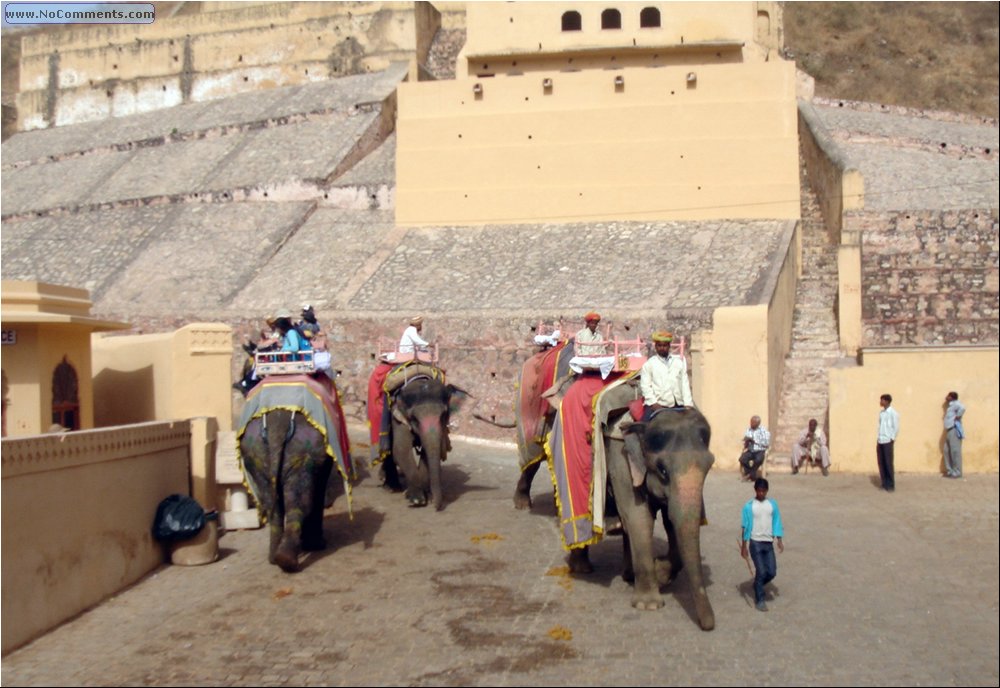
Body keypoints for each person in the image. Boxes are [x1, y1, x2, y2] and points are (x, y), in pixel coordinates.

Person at [740, 477, 784, 612]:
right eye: (759, 491)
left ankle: (757, 585)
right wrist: (744, 546)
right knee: (761, 571)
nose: (761, 493)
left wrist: (779, 540)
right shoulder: (749, 506)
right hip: (755, 543)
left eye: (763, 491)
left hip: (768, 543)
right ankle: (760, 599)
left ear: (767, 491)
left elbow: (777, 521)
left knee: (771, 572)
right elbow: (745, 526)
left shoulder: (772, 505)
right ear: (755, 490)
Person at [638, 330, 692, 421]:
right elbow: (645, 386)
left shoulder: (678, 362)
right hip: (658, 405)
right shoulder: (649, 364)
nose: (662, 348)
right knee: (644, 427)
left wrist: (688, 404)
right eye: (659, 345)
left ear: (669, 346)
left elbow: (684, 384)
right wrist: (654, 403)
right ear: (656, 346)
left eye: (665, 345)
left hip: (678, 405)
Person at [877, 393, 899, 492]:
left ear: (886, 401)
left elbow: (896, 427)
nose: (880, 402)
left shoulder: (893, 413)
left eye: (882, 400)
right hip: (880, 440)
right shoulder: (881, 413)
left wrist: (892, 438)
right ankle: (884, 482)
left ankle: (890, 484)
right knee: (881, 462)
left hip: (887, 441)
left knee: (888, 463)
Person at [739, 415, 770, 481]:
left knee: (758, 460)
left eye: (753, 422)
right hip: (750, 450)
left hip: (759, 450)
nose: (751, 424)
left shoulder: (764, 431)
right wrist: (746, 441)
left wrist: (755, 441)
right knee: (742, 459)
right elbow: (746, 439)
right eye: (751, 422)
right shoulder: (749, 430)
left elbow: (766, 443)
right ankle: (751, 475)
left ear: (758, 423)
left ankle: (749, 475)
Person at [943, 391, 966, 478]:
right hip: (949, 429)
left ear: (952, 397)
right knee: (946, 450)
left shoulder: (956, 404)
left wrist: (958, 416)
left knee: (955, 451)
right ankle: (950, 470)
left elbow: (963, 408)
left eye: (948, 396)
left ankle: (957, 472)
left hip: (954, 429)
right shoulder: (950, 406)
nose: (946, 397)